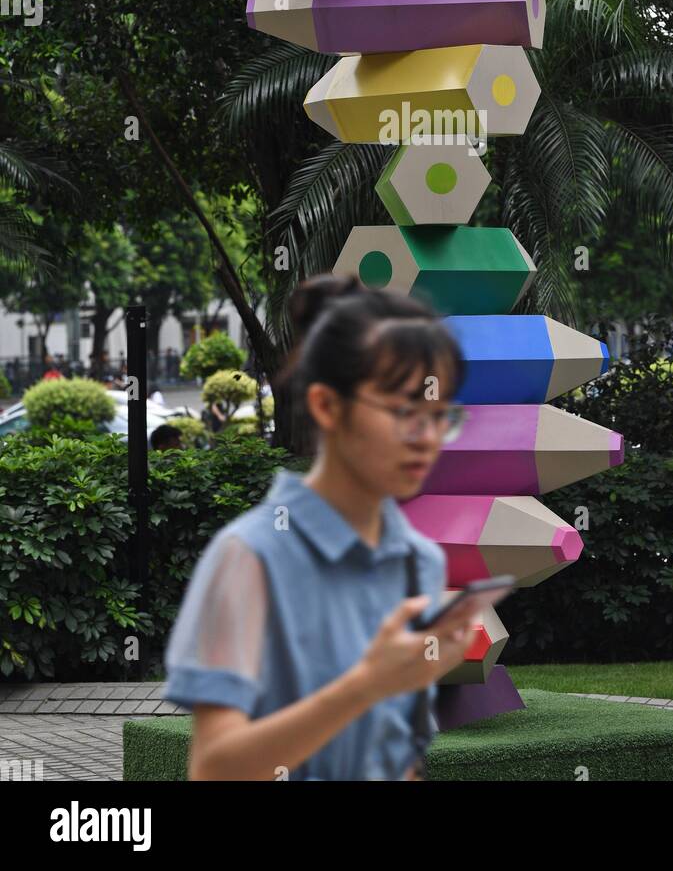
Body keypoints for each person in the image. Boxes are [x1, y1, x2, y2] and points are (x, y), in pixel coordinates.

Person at [162, 275, 479, 781]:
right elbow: (214, 769)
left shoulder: (421, 561)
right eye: (404, 411)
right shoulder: (250, 556)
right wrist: (366, 685)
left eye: (440, 414)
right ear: (327, 405)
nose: (428, 437)